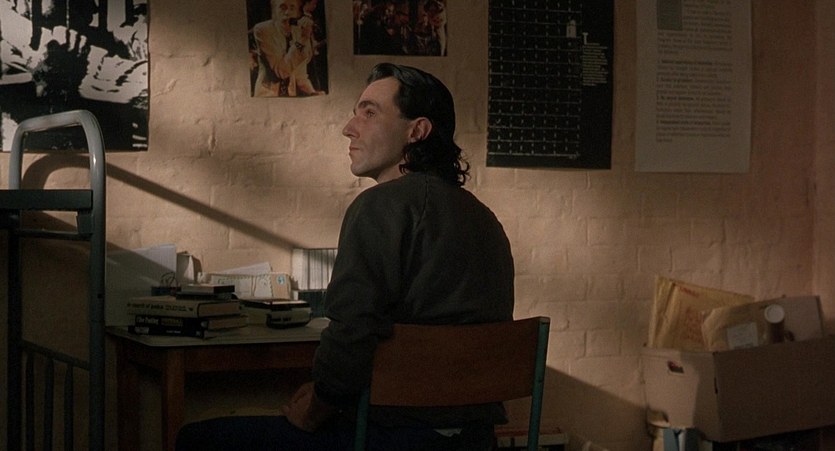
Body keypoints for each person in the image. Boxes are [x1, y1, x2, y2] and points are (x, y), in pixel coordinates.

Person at [175, 63, 515, 451]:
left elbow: (353, 331)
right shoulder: (484, 218)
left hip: (391, 437)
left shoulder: (378, 206)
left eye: (369, 113)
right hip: (474, 439)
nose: (349, 128)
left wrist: (318, 405)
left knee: (197, 439)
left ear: (417, 131)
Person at [251, 0, 312, 97]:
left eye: (292, 8)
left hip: (290, 96)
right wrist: (302, 40)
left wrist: (312, 92)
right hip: (268, 96)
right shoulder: (262, 30)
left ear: (297, 12)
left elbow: (300, 73)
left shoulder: (299, 31)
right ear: (274, 9)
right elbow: (281, 71)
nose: (287, 12)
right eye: (282, 7)